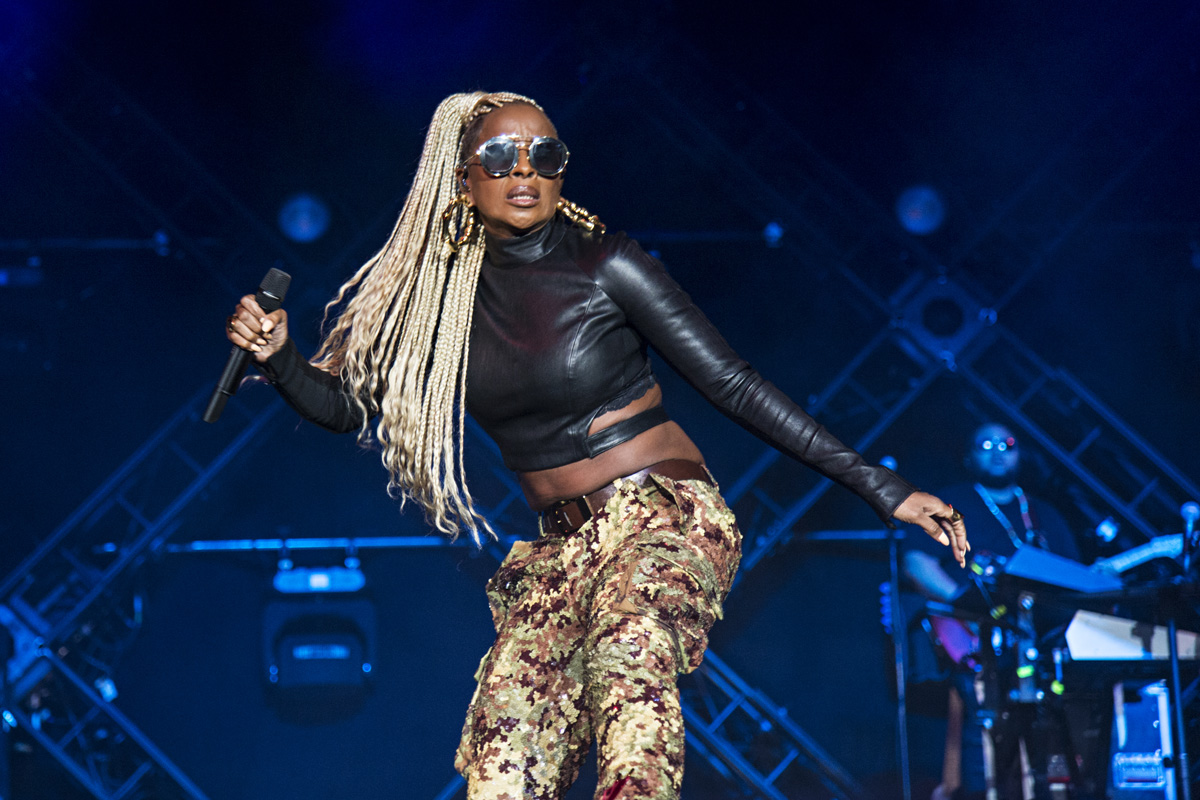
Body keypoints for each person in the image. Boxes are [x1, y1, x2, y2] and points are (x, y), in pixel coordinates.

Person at [225, 91, 970, 800]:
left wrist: (884, 488)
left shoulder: (606, 262)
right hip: (557, 555)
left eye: (544, 156)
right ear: (462, 178)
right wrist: (280, 359)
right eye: (501, 157)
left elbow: (734, 385)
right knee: (503, 763)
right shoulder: (440, 302)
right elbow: (348, 407)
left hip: (663, 517)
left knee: (630, 655)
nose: (524, 172)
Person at [903, 422, 1079, 800]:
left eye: (1007, 444)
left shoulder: (1044, 514)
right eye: (986, 444)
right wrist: (962, 601)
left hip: (1035, 642)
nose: (998, 452)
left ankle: (1051, 788)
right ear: (969, 456)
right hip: (973, 638)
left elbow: (1073, 576)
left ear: (1021, 455)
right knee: (983, 718)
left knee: (1053, 720)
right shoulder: (949, 504)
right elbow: (917, 563)